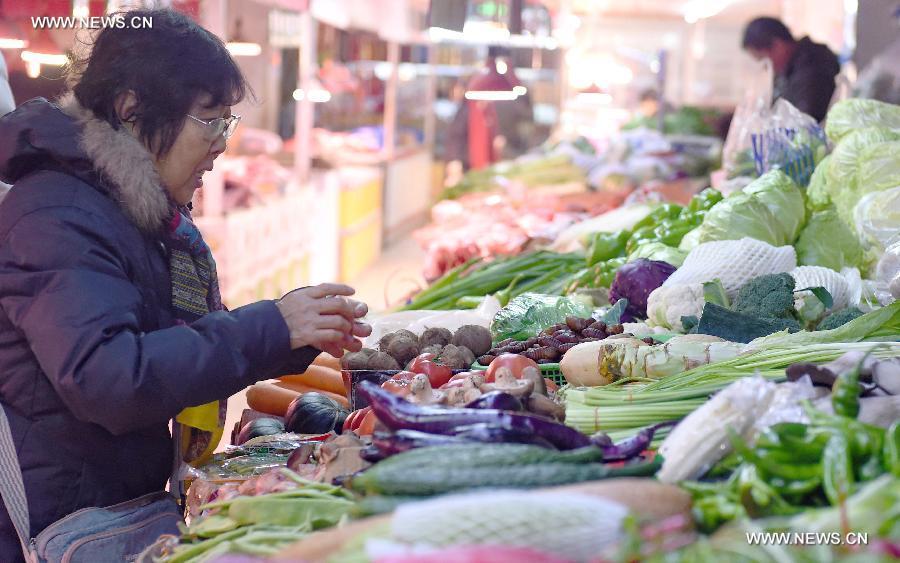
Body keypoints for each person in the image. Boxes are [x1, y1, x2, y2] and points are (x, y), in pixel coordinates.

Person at [0, 9, 370, 560]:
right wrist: (270, 326)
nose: (221, 144)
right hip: (59, 526)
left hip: (109, 507)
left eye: (227, 122)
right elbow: (111, 378)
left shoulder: (126, 207)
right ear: (131, 108)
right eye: (209, 119)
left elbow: (167, 336)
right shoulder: (57, 213)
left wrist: (290, 332)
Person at [741, 16, 840, 122]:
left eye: (762, 58)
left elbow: (804, 119)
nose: (766, 67)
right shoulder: (790, 70)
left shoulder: (812, 68)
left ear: (778, 46)